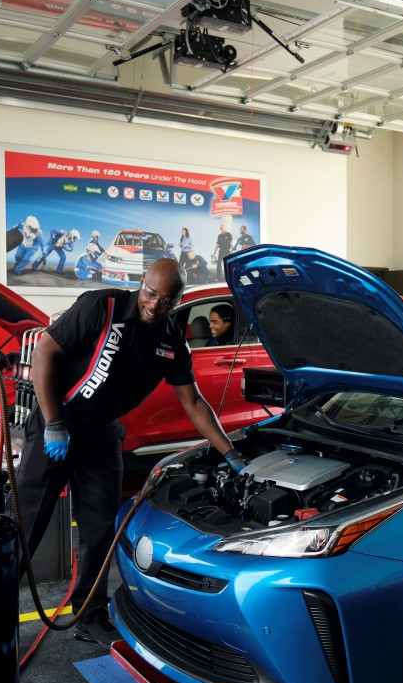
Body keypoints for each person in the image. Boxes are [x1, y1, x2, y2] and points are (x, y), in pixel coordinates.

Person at [14, 258, 247, 646]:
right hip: (59, 423)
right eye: (151, 293)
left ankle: (88, 613)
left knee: (101, 525)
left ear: (179, 299)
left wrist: (230, 452)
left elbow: (193, 402)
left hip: (103, 435)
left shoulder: (172, 341)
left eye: (167, 300)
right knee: (26, 522)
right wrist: (53, 423)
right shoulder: (101, 307)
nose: (155, 305)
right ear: (142, 283)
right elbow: (44, 353)